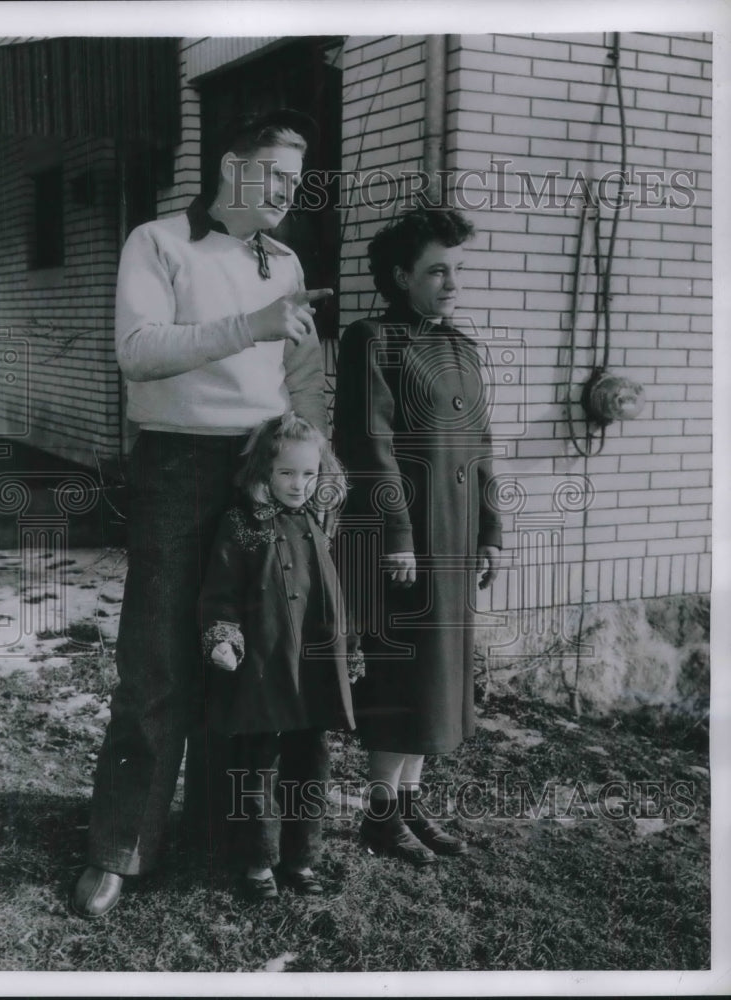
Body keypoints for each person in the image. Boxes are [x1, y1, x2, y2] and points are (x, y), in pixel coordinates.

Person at [72, 109, 332, 918]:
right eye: (277, 175)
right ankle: (123, 846)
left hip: (260, 464)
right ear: (230, 166)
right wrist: (248, 325)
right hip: (179, 464)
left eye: (298, 180)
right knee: (158, 660)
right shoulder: (158, 241)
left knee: (246, 661)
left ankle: (230, 839)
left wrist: (318, 453)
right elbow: (138, 350)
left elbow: (304, 374)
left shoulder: (285, 260)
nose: (291, 192)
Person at [333, 207, 502, 865]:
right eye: (437, 270)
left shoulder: (462, 348)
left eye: (457, 270)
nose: (451, 283)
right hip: (404, 540)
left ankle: (408, 808)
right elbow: (368, 446)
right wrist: (397, 536)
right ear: (402, 276)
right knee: (403, 682)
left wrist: (490, 531)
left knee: (437, 682)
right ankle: (380, 815)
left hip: (456, 542)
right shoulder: (371, 340)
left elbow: (482, 448)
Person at [198, 412, 358, 899]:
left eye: (309, 474)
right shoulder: (243, 524)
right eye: (287, 473)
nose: (299, 484)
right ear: (264, 472)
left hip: (311, 665)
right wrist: (222, 637)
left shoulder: (315, 520)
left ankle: (301, 860)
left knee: (311, 760)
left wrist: (347, 649)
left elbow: (328, 592)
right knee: (259, 764)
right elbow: (221, 593)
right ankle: (257, 863)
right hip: (266, 665)